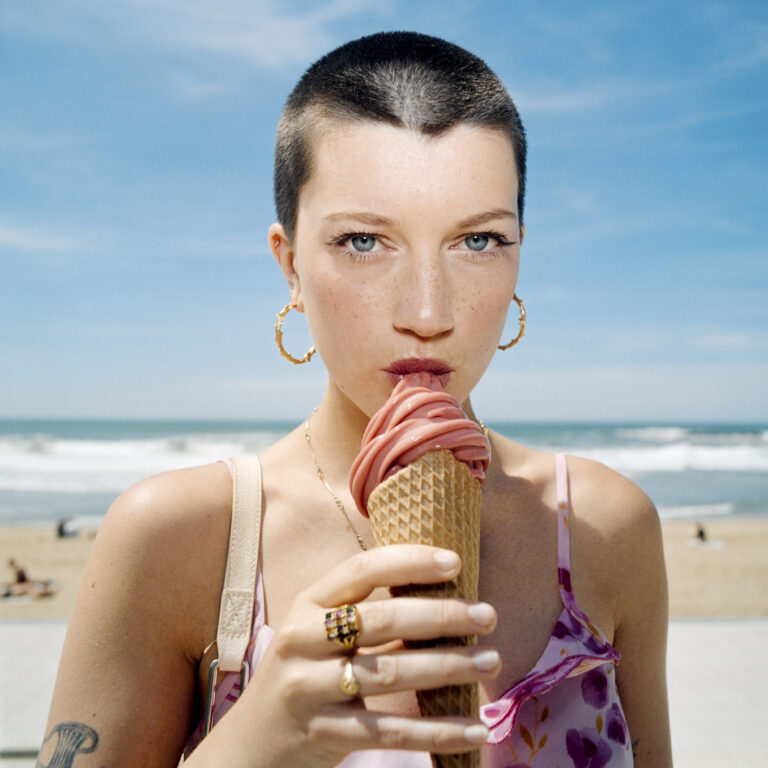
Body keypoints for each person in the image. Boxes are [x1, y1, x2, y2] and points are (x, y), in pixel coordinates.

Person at [40, 32, 671, 767]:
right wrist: (248, 747)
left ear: (520, 250)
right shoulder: (181, 541)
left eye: (479, 242)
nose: (428, 312)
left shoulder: (603, 528)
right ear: (290, 266)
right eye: (365, 242)